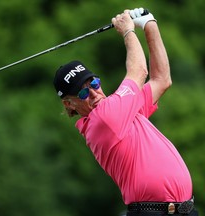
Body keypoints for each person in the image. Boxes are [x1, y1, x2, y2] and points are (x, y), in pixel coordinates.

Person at [53, 8, 199, 216]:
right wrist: (128, 31)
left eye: (94, 83)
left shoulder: (124, 109)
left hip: (185, 210)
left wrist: (149, 24)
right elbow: (139, 71)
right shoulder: (103, 119)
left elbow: (161, 80)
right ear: (69, 104)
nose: (94, 93)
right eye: (83, 92)